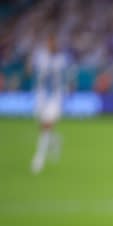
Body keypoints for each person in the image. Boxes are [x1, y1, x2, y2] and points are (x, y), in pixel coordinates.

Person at [30, 35, 71, 174]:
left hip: (55, 95)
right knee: (42, 125)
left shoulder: (61, 59)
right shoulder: (40, 56)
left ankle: (39, 158)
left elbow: (66, 75)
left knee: (46, 124)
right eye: (49, 43)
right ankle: (55, 141)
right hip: (41, 94)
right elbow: (32, 71)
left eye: (53, 43)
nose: (51, 45)